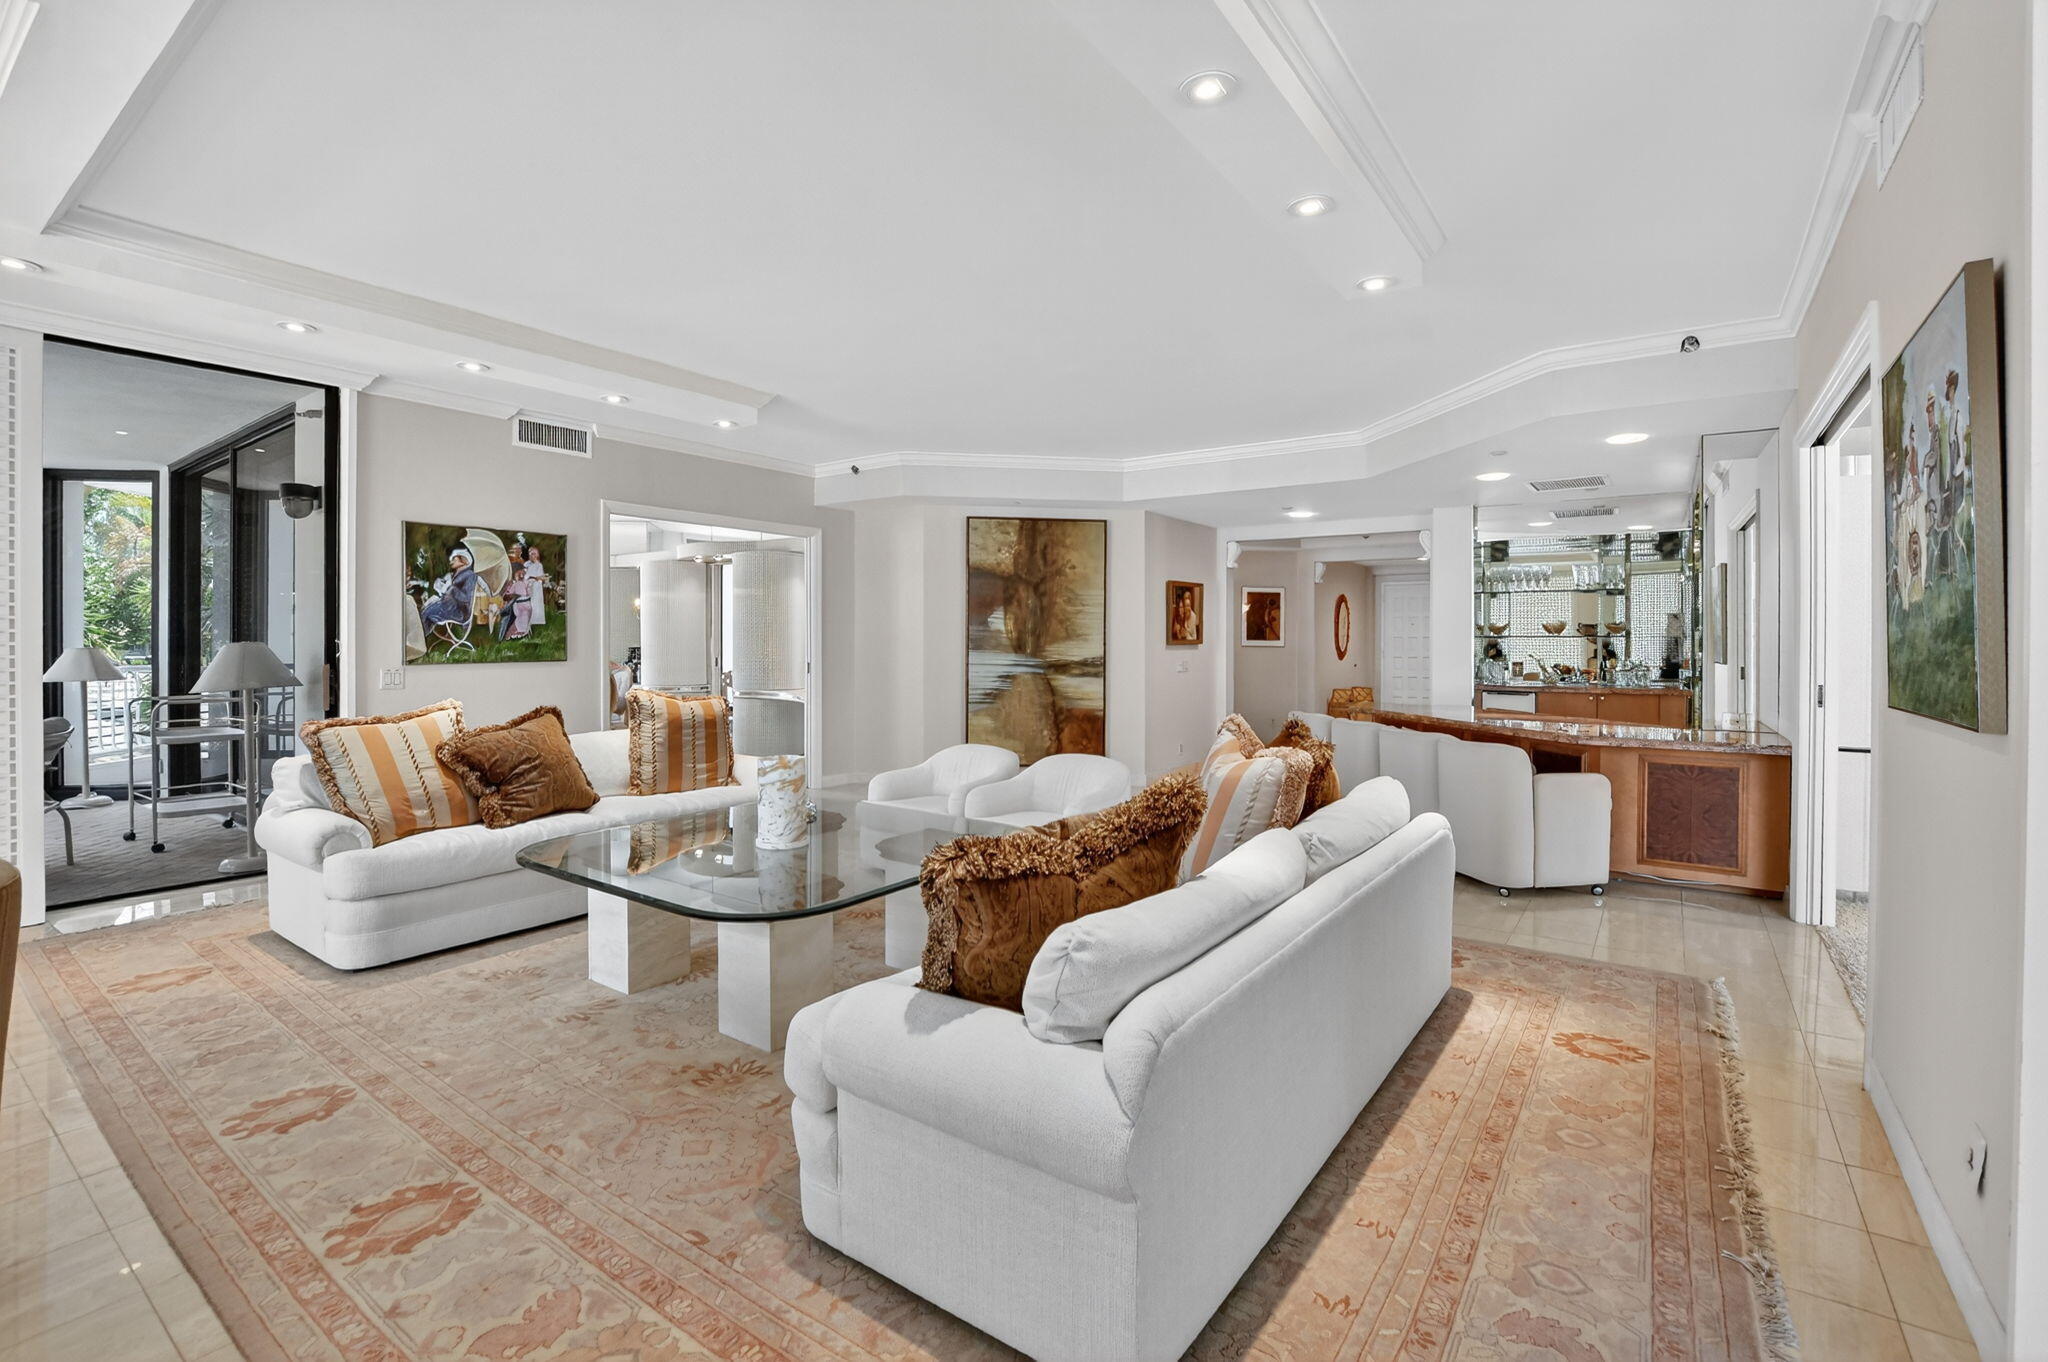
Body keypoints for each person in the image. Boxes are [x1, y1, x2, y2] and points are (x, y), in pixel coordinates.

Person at [420, 549, 478, 630]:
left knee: (428, 612)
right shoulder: (454, 575)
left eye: (454, 559)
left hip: (460, 611)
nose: (451, 561)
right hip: (450, 606)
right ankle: (422, 638)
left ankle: (419, 639)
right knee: (427, 611)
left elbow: (466, 597)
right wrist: (440, 587)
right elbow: (448, 593)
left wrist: (450, 588)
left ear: (464, 561)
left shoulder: (470, 575)